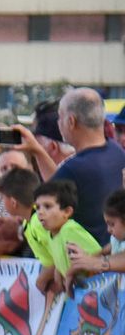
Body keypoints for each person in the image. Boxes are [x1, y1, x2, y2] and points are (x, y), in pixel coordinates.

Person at [48, 88, 125, 244]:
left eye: (60, 117)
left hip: (84, 262)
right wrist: (36, 152)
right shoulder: (116, 151)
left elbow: (43, 207)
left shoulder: (73, 169)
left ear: (71, 121)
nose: (58, 123)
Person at [29, 179, 100, 299]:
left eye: (47, 206)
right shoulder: (51, 235)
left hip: (93, 293)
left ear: (67, 211)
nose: (40, 212)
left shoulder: (69, 230)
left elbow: (98, 255)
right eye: (38, 207)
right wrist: (58, 271)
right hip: (79, 296)